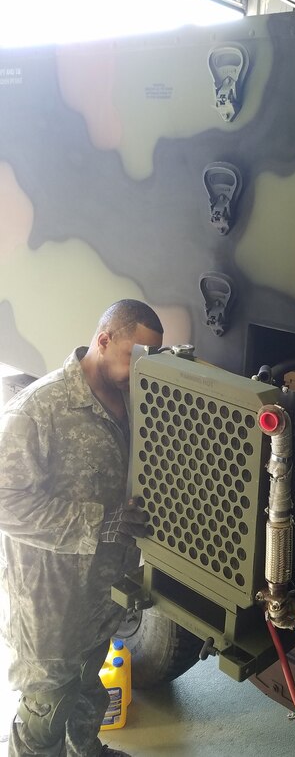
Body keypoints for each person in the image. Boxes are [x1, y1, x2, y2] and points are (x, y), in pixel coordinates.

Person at [0, 300, 164, 757]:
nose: (141, 369)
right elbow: (6, 503)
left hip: (102, 594)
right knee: (45, 714)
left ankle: (86, 751)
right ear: (104, 339)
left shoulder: (134, 404)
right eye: (135, 355)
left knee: (89, 693)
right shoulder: (39, 410)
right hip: (50, 608)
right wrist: (99, 521)